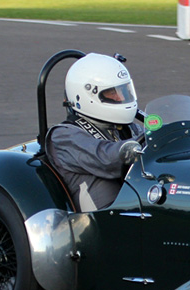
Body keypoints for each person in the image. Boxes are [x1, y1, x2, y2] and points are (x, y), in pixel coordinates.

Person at [45, 53, 144, 212]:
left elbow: (151, 143)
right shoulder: (63, 135)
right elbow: (105, 157)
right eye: (112, 92)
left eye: (124, 91)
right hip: (100, 223)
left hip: (136, 210)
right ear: (86, 95)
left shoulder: (125, 127)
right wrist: (135, 147)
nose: (120, 97)